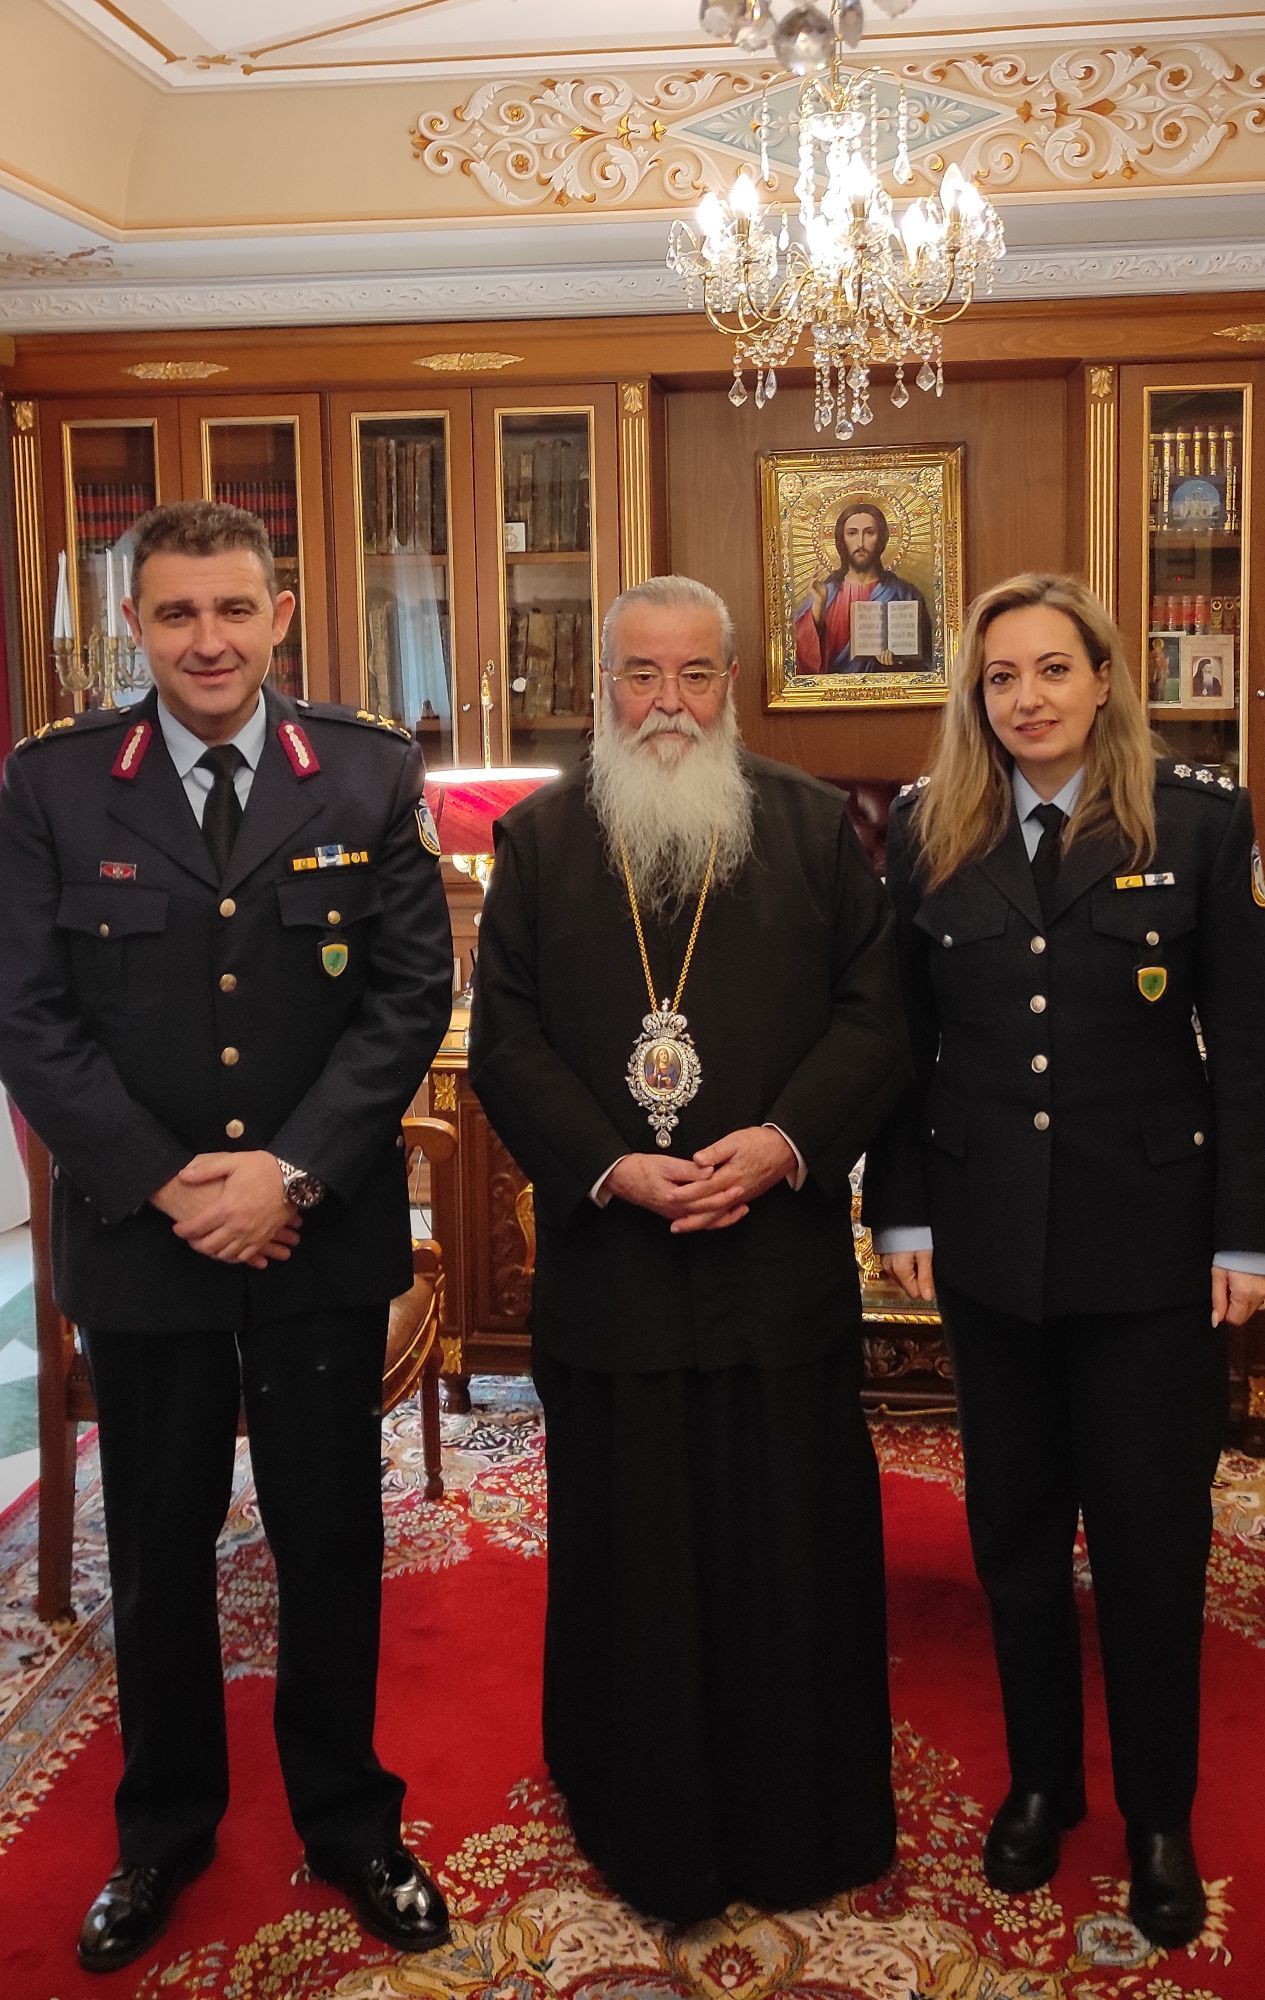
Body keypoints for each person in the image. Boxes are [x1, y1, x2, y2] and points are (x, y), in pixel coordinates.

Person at [0, 501, 455, 1972]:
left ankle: (351, 1818)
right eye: (178, 612)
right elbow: (28, 1014)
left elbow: (409, 995)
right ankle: (162, 1831)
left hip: (316, 1234)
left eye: (235, 609)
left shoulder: (368, 771)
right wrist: (170, 1184)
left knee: (328, 1534)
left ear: (280, 617)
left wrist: (290, 1176)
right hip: (145, 1241)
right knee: (157, 1545)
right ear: (135, 626)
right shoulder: (56, 783)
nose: (209, 640)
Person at [468, 574, 911, 1925]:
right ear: (601, 686)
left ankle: (796, 1819)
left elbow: (878, 1019)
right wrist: (609, 1164)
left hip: (773, 1270)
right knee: (634, 1559)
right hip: (616, 1274)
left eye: (695, 674)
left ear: (733, 683)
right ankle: (640, 1816)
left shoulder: (813, 829)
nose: (668, 703)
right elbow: (504, 1040)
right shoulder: (540, 842)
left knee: (788, 1547)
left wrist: (783, 1143)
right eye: (641, 675)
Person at [862, 572, 1265, 1950]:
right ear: (973, 698)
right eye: (999, 677)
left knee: (1151, 1546)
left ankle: (1158, 1817)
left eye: (1050, 669)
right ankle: (1040, 1783)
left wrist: (1245, 1230)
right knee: (1017, 1539)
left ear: (1102, 679)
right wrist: (900, 1212)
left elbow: (1246, 1043)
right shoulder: (929, 831)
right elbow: (900, 1046)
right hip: (991, 1251)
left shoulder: (1194, 820)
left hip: (1153, 1251)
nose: (1025, 697)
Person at [794, 501, 930, 673]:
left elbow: (926, 662)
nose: (860, 543)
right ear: (841, 540)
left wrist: (898, 662)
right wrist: (817, 610)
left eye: (869, 532)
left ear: (881, 538)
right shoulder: (824, 594)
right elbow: (800, 664)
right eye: (852, 533)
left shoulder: (906, 594)